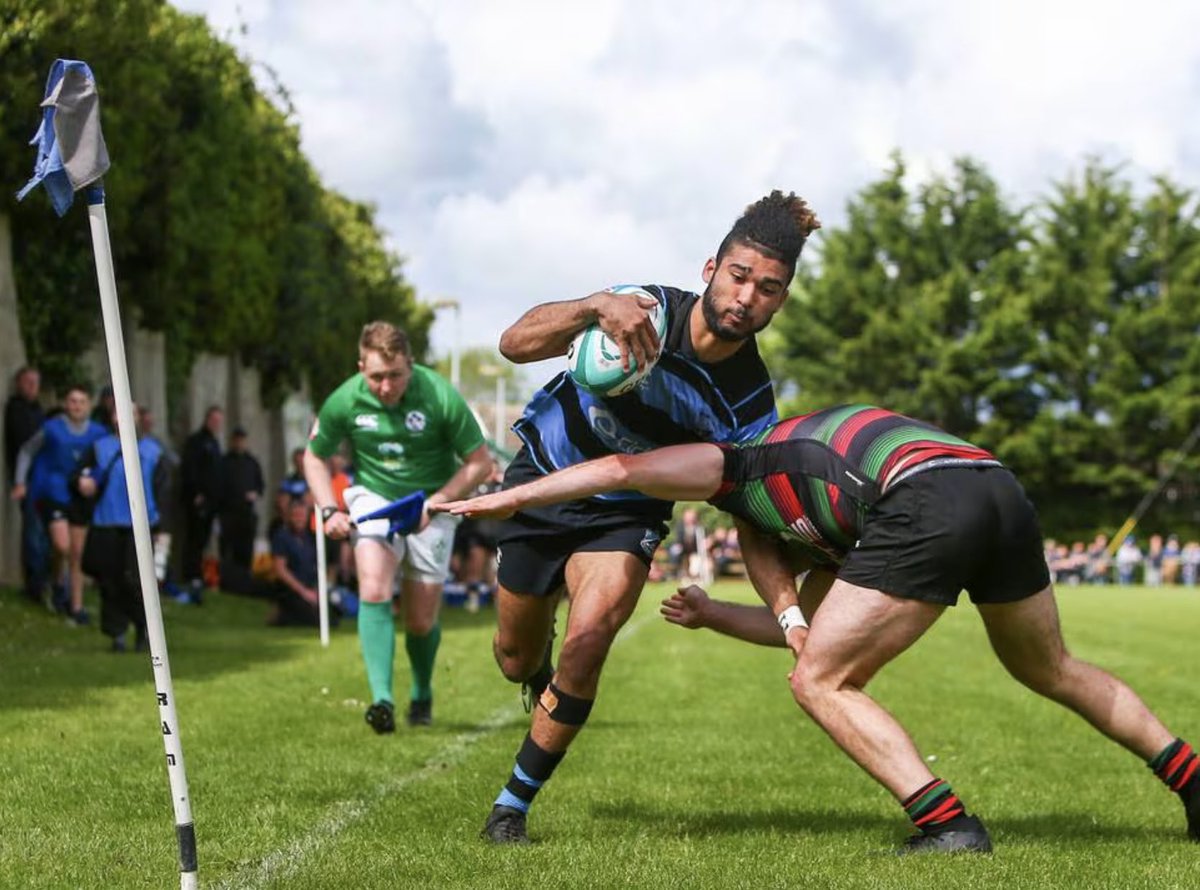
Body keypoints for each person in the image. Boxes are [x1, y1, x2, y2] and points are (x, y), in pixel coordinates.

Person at [435, 404, 1200, 852]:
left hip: (927, 497)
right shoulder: (818, 511)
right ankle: (1190, 781)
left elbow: (622, 473)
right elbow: (808, 621)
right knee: (1049, 665)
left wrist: (517, 497)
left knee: (820, 681)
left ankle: (946, 822)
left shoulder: (737, 458)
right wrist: (714, 614)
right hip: (990, 482)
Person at [475, 191, 820, 843]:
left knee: (593, 633)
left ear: (782, 300)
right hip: (543, 477)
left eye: (769, 289)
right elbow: (513, 344)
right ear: (709, 269)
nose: (748, 298)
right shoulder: (642, 312)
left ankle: (510, 808)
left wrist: (790, 614)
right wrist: (590, 305)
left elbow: (748, 514)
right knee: (514, 659)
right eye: (740, 276)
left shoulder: (751, 406)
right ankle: (535, 669)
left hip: (625, 512)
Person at [304, 321, 494, 731]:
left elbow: (481, 463)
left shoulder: (440, 395)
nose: (386, 386)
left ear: (410, 364)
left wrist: (438, 502)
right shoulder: (345, 400)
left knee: (420, 620)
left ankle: (421, 693)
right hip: (375, 498)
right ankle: (382, 701)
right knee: (372, 586)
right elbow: (314, 457)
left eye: (395, 376)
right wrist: (327, 509)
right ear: (360, 368)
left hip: (432, 502)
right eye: (375, 377)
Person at [74, 406, 169, 651]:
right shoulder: (99, 448)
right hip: (107, 521)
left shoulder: (153, 451)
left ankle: (144, 627)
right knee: (109, 580)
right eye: (118, 412)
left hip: (141, 523)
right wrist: (83, 483)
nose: (123, 417)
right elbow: (81, 477)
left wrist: (160, 526)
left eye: (130, 412)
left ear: (139, 418)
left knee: (136, 581)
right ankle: (117, 634)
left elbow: (162, 491)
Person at [12, 384, 107, 624]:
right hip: (53, 492)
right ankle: (57, 580)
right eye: (72, 401)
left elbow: (104, 462)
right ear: (66, 404)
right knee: (61, 545)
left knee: (77, 552)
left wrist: (94, 481)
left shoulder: (98, 433)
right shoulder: (51, 429)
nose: (76, 406)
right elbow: (26, 451)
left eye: (81, 401)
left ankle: (75, 607)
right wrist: (20, 481)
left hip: (80, 497)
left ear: (88, 405)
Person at [4, 366, 48, 604]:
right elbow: (25, 445)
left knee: (42, 533)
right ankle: (35, 585)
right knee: (34, 533)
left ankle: (42, 581)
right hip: (27, 481)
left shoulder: (38, 411)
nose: (32, 387)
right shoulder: (16, 409)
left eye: (35, 382)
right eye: (27, 382)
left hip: (43, 479)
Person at [179, 405, 224, 595]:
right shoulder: (197, 441)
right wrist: (196, 493)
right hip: (199, 500)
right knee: (194, 539)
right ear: (207, 419)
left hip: (212, 501)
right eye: (213, 420)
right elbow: (190, 469)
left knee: (203, 539)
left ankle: (199, 574)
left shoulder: (214, 443)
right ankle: (192, 576)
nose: (216, 424)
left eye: (218, 421)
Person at [267, 496, 324, 628]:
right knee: (312, 620)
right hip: (291, 590)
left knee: (330, 617)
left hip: (309, 588)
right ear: (289, 516)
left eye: (302, 515)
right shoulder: (282, 537)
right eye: (295, 515)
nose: (299, 519)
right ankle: (280, 614)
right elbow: (280, 569)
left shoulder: (309, 538)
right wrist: (304, 592)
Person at [217, 426, 265, 572]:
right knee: (227, 546)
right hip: (228, 512)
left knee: (246, 546)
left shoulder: (252, 462)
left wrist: (254, 494)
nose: (239, 443)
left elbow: (260, 485)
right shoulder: (224, 462)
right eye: (237, 440)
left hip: (246, 512)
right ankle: (226, 575)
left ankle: (244, 576)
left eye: (242, 440)